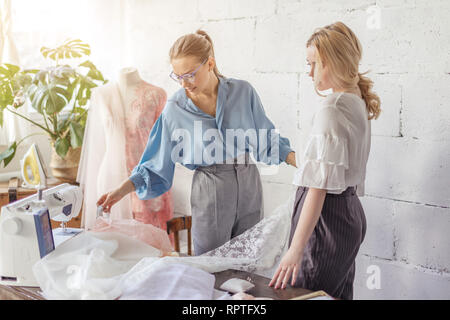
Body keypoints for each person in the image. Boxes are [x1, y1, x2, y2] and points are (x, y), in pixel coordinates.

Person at [97, 30, 297, 256]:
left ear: (210, 64)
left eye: (190, 75)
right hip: (210, 186)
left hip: (249, 180)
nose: (184, 83)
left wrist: (302, 162)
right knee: (211, 263)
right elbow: (155, 161)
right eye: (178, 76)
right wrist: (121, 190)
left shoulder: (243, 92)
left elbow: (266, 137)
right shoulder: (175, 108)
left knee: (251, 258)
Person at [269, 21, 381, 300]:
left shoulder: (333, 107)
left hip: (325, 222)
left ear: (332, 62)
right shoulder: (357, 100)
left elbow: (318, 189)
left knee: (304, 295)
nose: (309, 72)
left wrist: (295, 250)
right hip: (349, 213)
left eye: (314, 63)